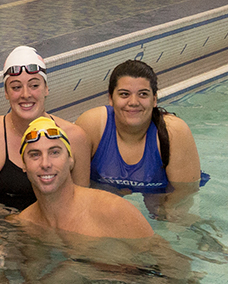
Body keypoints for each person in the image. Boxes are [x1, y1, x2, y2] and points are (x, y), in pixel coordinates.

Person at [0, 45, 91, 211]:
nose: (26, 94)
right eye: (16, 87)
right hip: (2, 231)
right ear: (6, 92)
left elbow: (83, 206)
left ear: (46, 88)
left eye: (34, 85)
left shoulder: (75, 138)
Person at [75, 59, 205, 193]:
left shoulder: (175, 132)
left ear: (154, 100)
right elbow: (78, 193)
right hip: (105, 195)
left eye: (143, 94)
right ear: (110, 99)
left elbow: (182, 197)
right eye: (124, 94)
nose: (133, 102)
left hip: (159, 195)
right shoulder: (92, 125)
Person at [16, 116, 154, 238]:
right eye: (35, 155)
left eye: (54, 152)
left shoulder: (112, 210)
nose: (45, 163)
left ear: (70, 160)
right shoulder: (26, 223)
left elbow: (162, 260)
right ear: (24, 165)